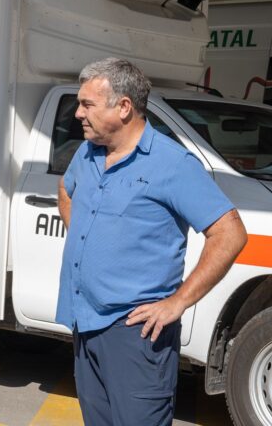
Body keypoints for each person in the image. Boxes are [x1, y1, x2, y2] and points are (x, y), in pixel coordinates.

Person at [56, 57, 248, 426]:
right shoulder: (88, 151)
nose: (78, 112)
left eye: (87, 104)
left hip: (136, 333)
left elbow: (230, 232)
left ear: (124, 107)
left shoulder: (173, 164)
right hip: (85, 323)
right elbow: (66, 189)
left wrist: (177, 302)